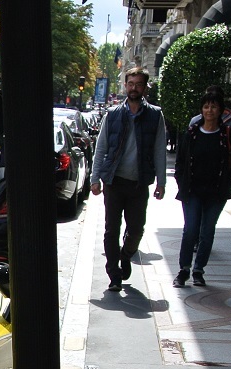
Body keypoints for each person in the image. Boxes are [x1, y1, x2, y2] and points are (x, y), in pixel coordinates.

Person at [90, 67, 168, 292]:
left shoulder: (155, 115)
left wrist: (161, 182)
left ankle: (126, 255)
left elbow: (159, 150)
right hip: (114, 181)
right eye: (131, 83)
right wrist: (95, 179)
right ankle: (114, 274)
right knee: (111, 230)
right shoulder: (113, 114)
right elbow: (101, 147)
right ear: (126, 86)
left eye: (139, 84)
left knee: (136, 229)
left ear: (145, 87)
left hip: (139, 183)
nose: (134, 88)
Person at [172, 88, 231, 287]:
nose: (209, 110)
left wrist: (227, 182)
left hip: (216, 193)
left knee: (207, 231)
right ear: (201, 110)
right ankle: (184, 269)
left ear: (220, 110)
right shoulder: (192, 134)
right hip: (192, 191)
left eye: (214, 106)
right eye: (206, 106)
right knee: (190, 230)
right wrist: (181, 181)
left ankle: (198, 270)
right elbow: (181, 161)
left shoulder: (227, 135)